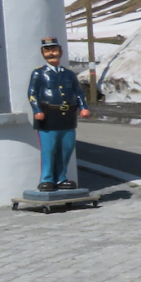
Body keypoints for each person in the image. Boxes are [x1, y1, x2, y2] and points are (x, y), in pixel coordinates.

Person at [27, 37, 90, 192]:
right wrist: (37, 110)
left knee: (66, 148)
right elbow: (32, 93)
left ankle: (61, 178)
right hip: (48, 115)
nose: (51, 54)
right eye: (47, 51)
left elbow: (79, 92)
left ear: (60, 52)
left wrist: (83, 107)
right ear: (43, 53)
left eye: (54, 50)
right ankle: (46, 179)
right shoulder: (39, 73)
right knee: (49, 149)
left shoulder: (68, 74)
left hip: (68, 116)